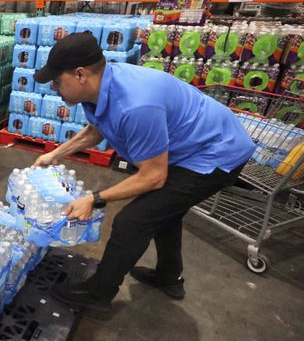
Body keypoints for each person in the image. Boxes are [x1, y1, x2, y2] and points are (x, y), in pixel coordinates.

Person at [32, 33, 254, 311]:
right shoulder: (99, 89)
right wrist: (54, 154)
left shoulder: (136, 106)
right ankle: (169, 276)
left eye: (56, 81)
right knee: (164, 213)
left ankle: (99, 293)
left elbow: (153, 177)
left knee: (133, 221)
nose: (54, 88)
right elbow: (97, 129)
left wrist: (95, 198)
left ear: (80, 74)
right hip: (191, 146)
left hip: (217, 153)